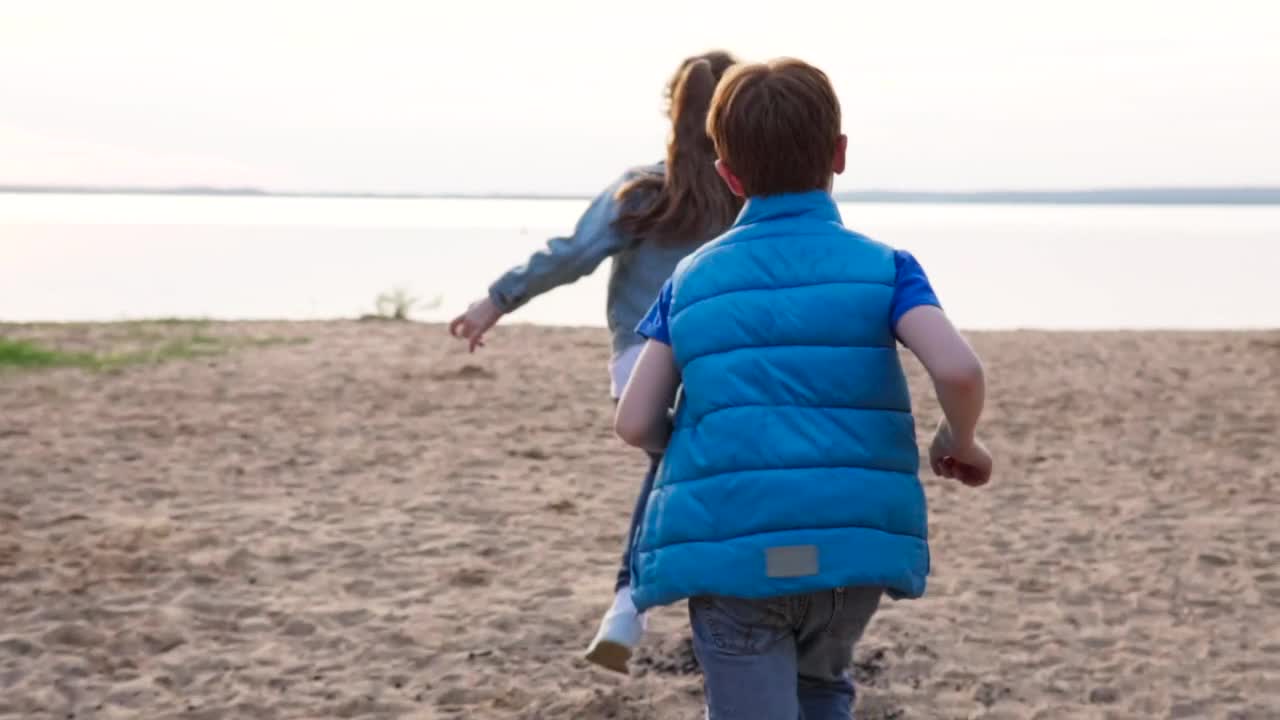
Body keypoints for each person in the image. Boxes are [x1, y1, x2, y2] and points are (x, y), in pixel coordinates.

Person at [613, 58, 993, 719]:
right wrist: (958, 439)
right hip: (851, 550)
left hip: (735, 546)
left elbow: (635, 420)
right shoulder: (887, 268)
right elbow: (958, 371)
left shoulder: (690, 281)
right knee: (822, 687)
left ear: (727, 174)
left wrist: (686, 443)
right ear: (840, 154)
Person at [447, 51, 742, 672]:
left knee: (675, 473)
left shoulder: (642, 190)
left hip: (641, 367)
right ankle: (648, 601)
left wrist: (496, 301)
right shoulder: (750, 193)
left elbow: (574, 254)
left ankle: (630, 606)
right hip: (726, 361)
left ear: (673, 108)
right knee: (699, 479)